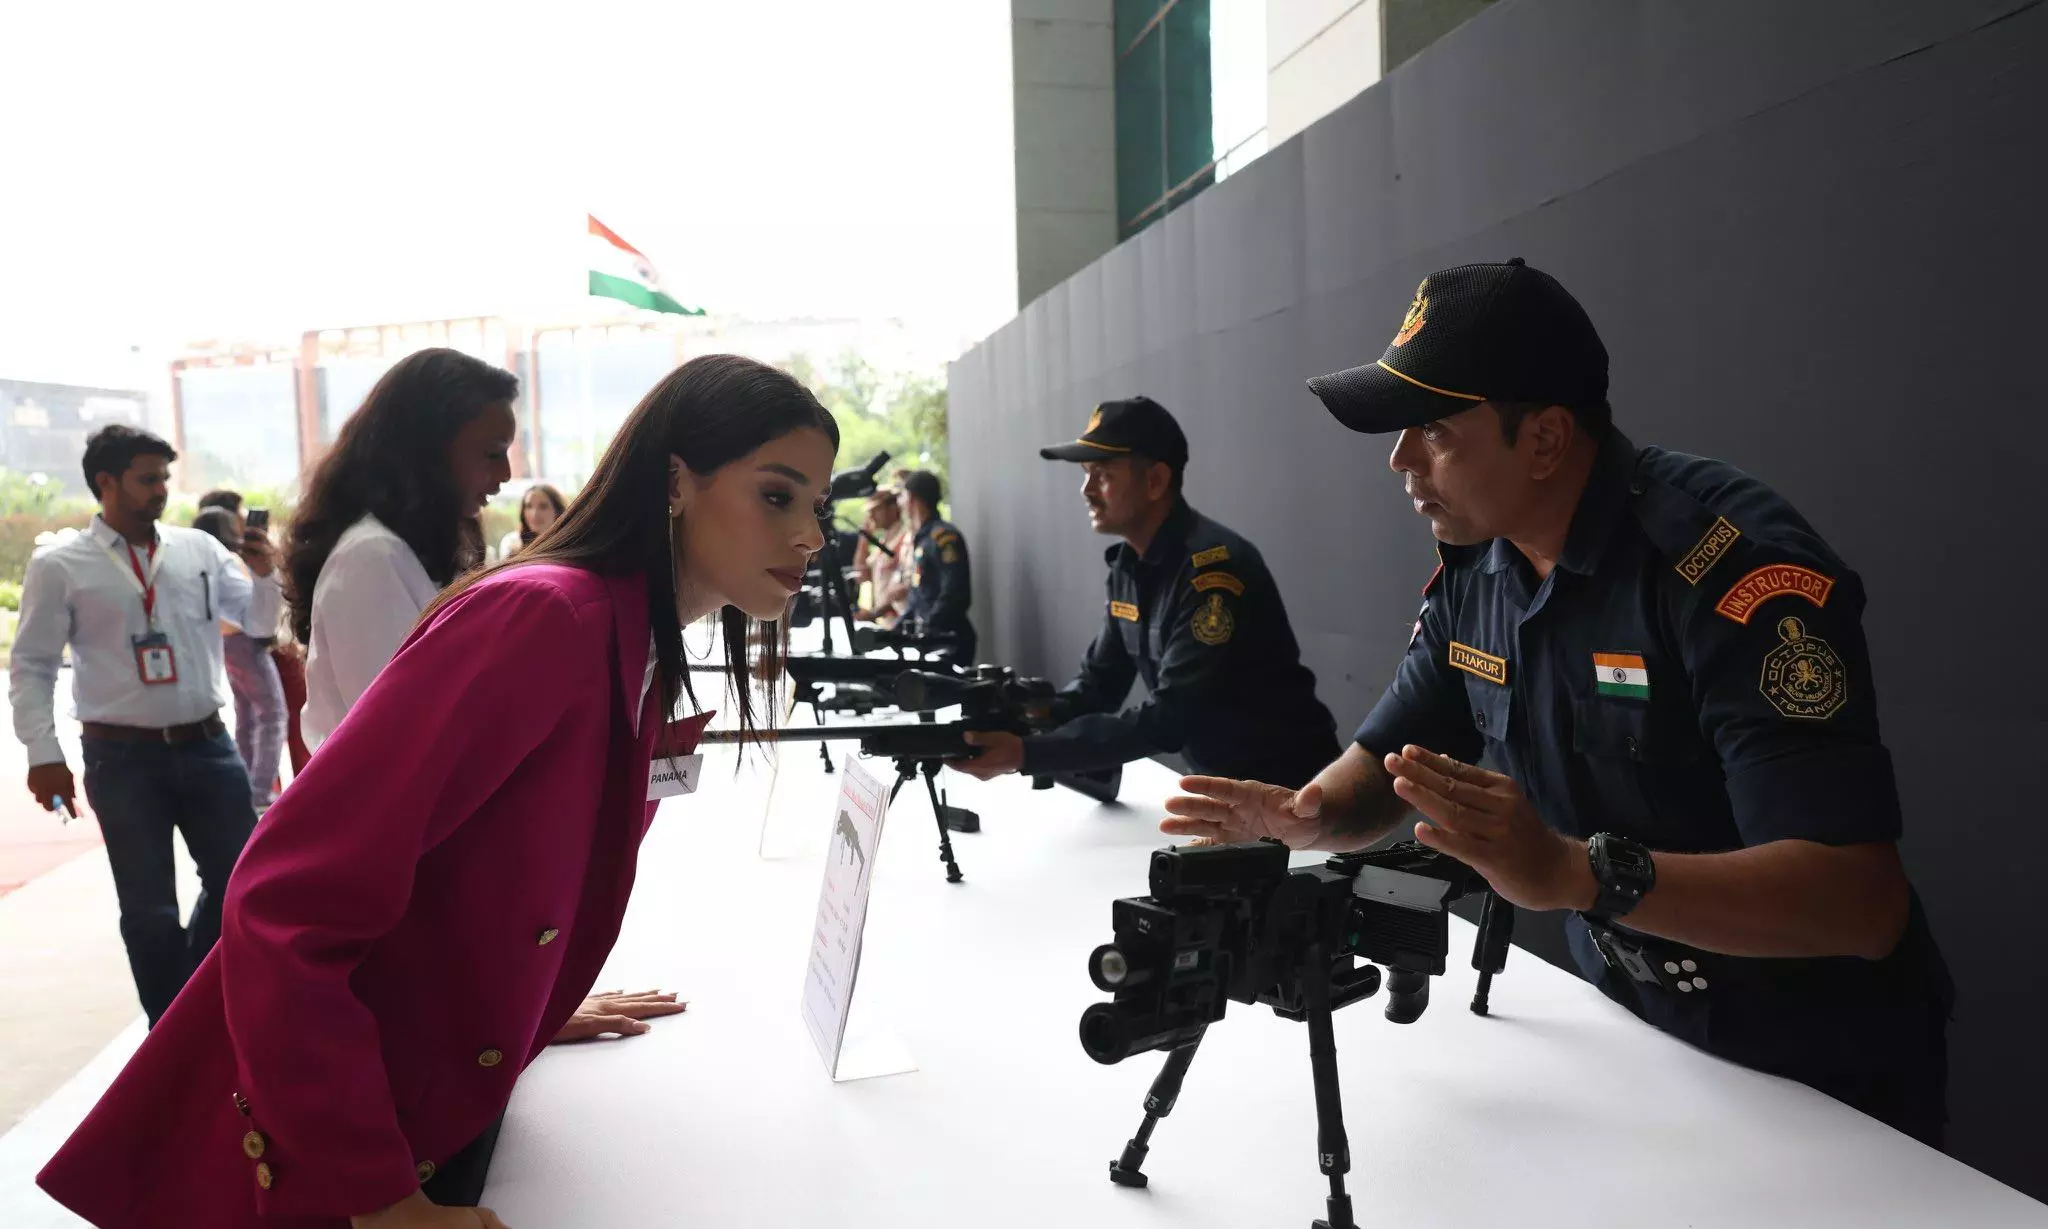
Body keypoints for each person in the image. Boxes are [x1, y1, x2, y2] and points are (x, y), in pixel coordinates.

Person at [1162, 258, 1954, 1144]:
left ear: (1543, 439)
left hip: (1820, 1074)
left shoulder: (1725, 568)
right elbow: (1389, 763)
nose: (1400, 459)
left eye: (1434, 429)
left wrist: (1578, 874)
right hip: (1629, 1034)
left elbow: (1857, 902)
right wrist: (1309, 816)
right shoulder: (1478, 571)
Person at [36, 354, 838, 1229]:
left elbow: (487, 867)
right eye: (777, 496)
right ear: (677, 480)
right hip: (330, 1137)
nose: (811, 536)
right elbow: (284, 901)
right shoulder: (547, 618)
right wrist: (382, 1199)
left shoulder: (624, 636)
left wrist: (529, 1004)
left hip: (417, 1094)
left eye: (819, 508)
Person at [9, 426, 262, 1026]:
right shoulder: (60, 564)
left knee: (245, 881)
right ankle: (169, 1032)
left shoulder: (198, 550)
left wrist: (267, 575)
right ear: (106, 482)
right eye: (148, 479)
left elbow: (257, 620)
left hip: (208, 745)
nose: (162, 491)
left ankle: (189, 1004)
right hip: (121, 758)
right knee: (149, 909)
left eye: (164, 478)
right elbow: (33, 665)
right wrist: (43, 753)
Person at [957, 397, 1340, 787]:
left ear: (1155, 481)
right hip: (1227, 788)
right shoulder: (1127, 568)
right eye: (1086, 474)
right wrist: (1028, 717)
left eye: (1103, 474)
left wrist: (1026, 753)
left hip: (1294, 790)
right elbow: (1098, 686)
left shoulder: (1213, 571)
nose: (1086, 490)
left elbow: (1171, 718)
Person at [286, 348, 518, 752]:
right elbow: (404, 737)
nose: (505, 474)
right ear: (428, 450)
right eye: (492, 453)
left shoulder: (413, 550)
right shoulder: (370, 560)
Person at [194, 497, 289, 809]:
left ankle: (248, 783)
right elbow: (259, 616)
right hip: (246, 642)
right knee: (272, 715)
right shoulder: (231, 562)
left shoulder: (200, 564)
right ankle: (261, 789)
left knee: (247, 715)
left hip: (227, 642)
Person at [896, 469, 975, 660]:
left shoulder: (943, 538)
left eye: (902, 496)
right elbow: (919, 597)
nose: (900, 502)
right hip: (930, 643)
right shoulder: (923, 539)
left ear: (912, 498)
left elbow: (955, 592)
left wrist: (928, 627)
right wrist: (895, 631)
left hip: (948, 642)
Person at [850, 486, 907, 625]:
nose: (871, 516)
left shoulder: (905, 538)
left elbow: (904, 586)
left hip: (900, 620)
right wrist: (864, 540)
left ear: (893, 508)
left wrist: (874, 613)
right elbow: (862, 575)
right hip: (885, 622)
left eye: (876, 510)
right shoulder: (884, 542)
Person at [496, 483, 565, 562]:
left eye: (543, 506)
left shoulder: (568, 546)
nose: (534, 514)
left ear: (557, 511)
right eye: (529, 506)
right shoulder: (511, 542)